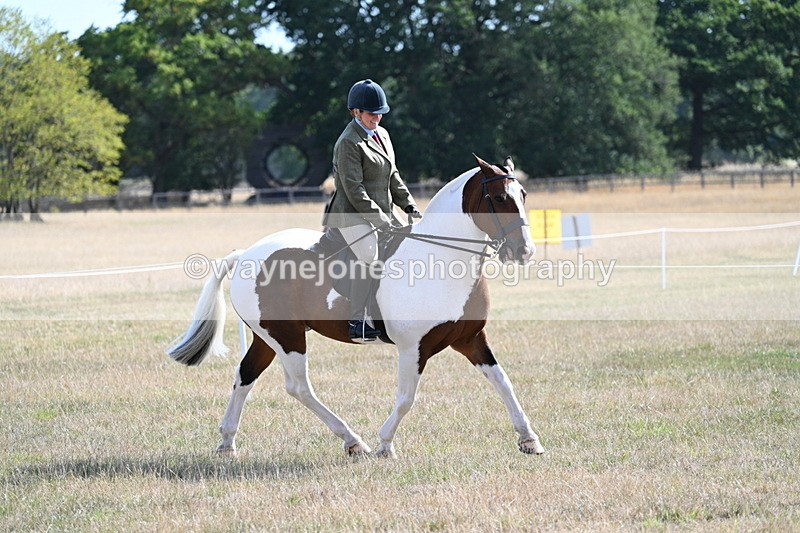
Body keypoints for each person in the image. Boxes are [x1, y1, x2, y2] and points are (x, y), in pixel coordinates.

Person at [322, 79, 422, 342]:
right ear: (356, 112)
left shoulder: (383, 135)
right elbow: (354, 191)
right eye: (371, 113)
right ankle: (358, 320)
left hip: (383, 208)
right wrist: (381, 220)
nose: (377, 117)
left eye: (380, 112)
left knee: (412, 243)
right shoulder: (348, 142)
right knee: (370, 256)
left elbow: (393, 175)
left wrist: (408, 204)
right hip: (351, 213)